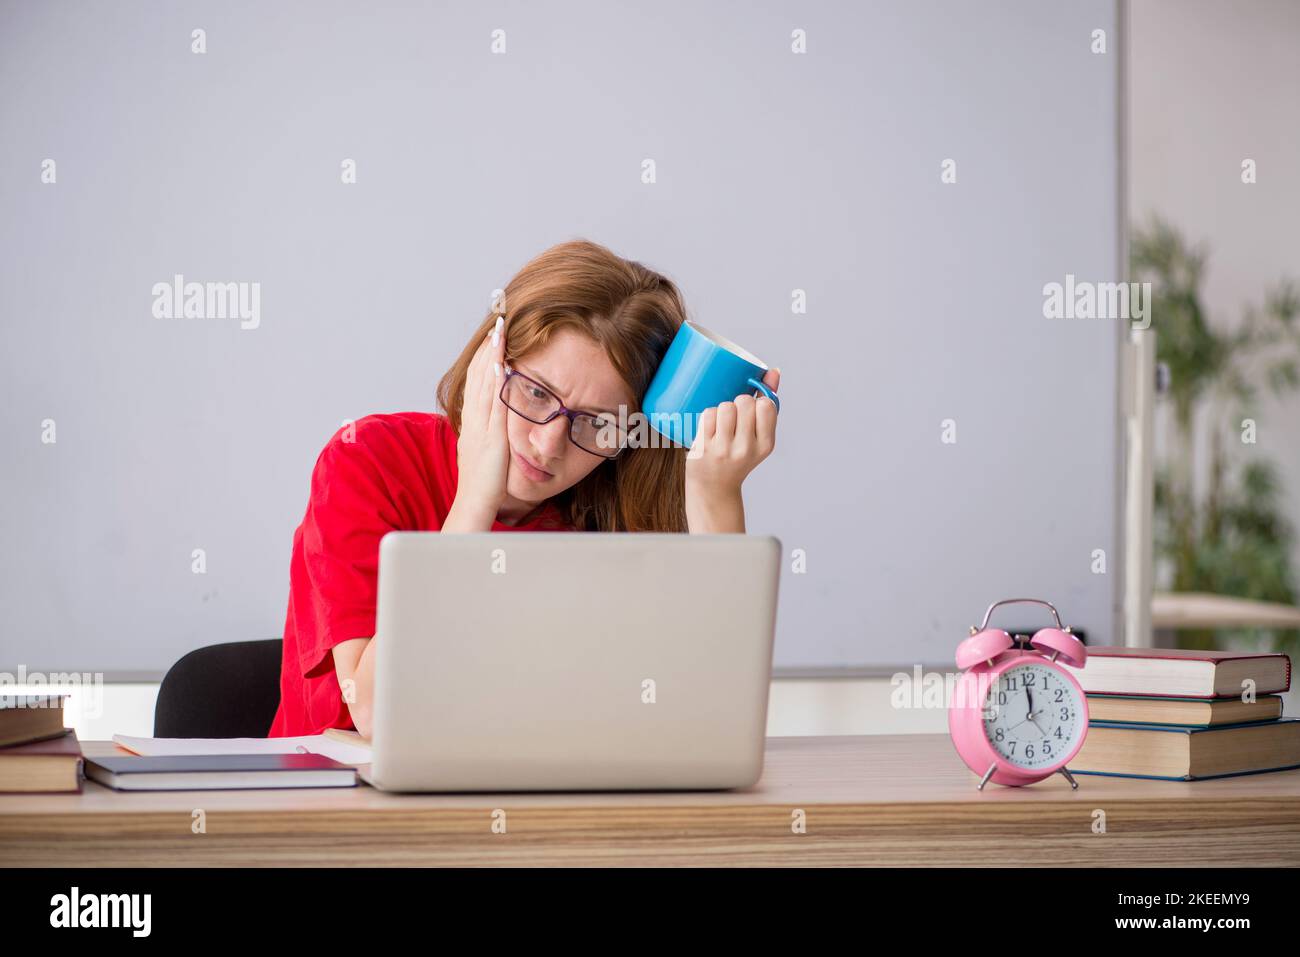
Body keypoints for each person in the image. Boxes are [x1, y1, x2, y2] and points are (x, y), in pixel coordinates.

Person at [267, 239, 781, 737]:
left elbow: (712, 718)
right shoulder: (368, 458)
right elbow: (376, 713)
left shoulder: (608, 512)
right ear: (490, 365)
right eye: (536, 393)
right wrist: (474, 500)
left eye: (596, 423)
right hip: (338, 810)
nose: (548, 442)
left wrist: (716, 497)